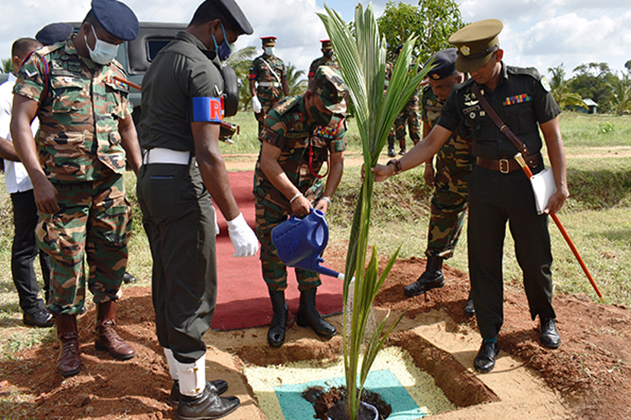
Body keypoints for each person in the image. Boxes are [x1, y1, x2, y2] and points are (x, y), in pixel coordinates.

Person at [371, 19, 567, 374]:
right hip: (485, 185)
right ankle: (489, 335)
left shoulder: (529, 83)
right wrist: (396, 166)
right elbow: (432, 141)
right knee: (484, 262)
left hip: (526, 183)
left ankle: (546, 318)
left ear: (498, 55)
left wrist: (561, 184)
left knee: (535, 257)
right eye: (467, 67)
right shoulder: (462, 97)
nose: (472, 73)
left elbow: (552, 136)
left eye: (478, 65)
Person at [136, 1, 258, 418]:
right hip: (183, 187)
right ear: (216, 27)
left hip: (153, 180)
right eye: (233, 38)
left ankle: (184, 378)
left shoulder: (164, 59)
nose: (232, 47)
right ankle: (193, 398)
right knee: (192, 287)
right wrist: (237, 220)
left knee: (169, 280)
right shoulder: (201, 69)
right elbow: (208, 154)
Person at [10, 0, 143, 377]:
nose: (112, 47)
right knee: (64, 262)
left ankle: (106, 329)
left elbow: (127, 127)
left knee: (112, 255)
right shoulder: (45, 63)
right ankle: (68, 341)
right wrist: (37, 179)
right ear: (87, 29)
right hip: (61, 189)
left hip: (109, 184)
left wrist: (142, 172)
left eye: (118, 42)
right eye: (108, 39)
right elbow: (21, 123)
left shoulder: (113, 68)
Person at [254, 66, 347, 348]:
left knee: (310, 249)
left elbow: (338, 163)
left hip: (311, 193)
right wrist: (294, 197)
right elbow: (268, 161)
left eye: (335, 107)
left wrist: (326, 198)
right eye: (325, 105)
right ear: (311, 95)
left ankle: (308, 309)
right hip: (273, 193)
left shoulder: (335, 120)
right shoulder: (282, 114)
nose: (330, 112)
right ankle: (280, 313)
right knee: (273, 252)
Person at [404, 48, 476, 317]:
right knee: (440, 219)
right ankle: (433, 273)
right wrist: (427, 164)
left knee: (481, 235)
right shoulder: (428, 96)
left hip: (478, 174)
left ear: (459, 78)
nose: (437, 92)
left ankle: (478, 291)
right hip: (446, 171)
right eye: (433, 86)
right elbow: (428, 131)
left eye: (443, 86)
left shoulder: (475, 95)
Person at [0, 38, 53, 328]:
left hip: (47, 179)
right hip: (24, 183)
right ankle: (31, 308)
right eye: (33, 58)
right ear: (18, 61)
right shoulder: (5, 94)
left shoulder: (41, 88)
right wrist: (34, 161)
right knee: (26, 247)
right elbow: (1, 142)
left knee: (49, 241)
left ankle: (53, 299)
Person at [249, 36, 289, 136]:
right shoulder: (257, 62)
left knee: (278, 120)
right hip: (263, 95)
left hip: (277, 95)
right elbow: (252, 81)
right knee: (263, 121)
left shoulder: (280, 62)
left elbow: (284, 82)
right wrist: (254, 98)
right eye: (268, 46)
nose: (270, 48)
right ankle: (263, 148)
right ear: (263, 47)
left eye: (272, 46)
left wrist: (287, 97)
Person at [387, 44, 421, 157]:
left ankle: (417, 148)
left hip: (412, 101)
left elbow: (427, 77)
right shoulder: (395, 68)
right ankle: (403, 149)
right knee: (400, 125)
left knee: (415, 125)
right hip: (400, 102)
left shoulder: (415, 66)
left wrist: (417, 83)